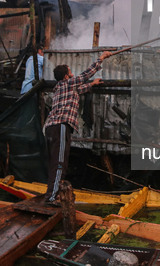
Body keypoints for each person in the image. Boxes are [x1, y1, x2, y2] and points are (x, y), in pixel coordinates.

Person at [42, 50, 113, 206]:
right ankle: (52, 197)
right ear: (67, 76)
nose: (72, 74)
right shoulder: (67, 84)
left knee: (59, 161)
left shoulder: (63, 88)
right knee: (59, 162)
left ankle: (53, 194)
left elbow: (81, 89)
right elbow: (85, 75)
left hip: (54, 127)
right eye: (70, 71)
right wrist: (101, 58)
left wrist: (92, 85)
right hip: (59, 126)